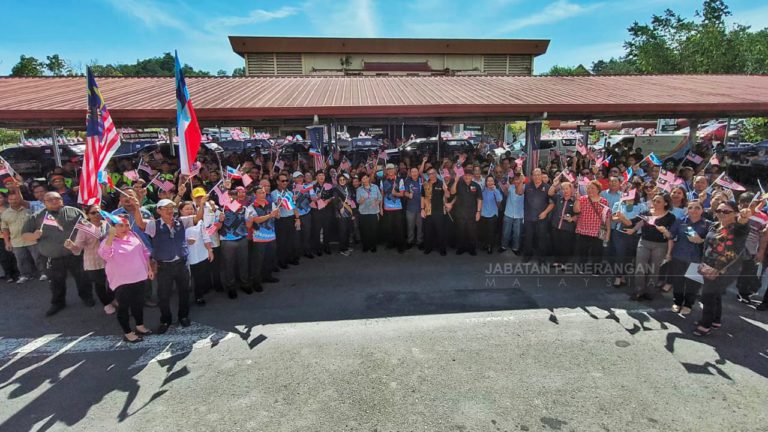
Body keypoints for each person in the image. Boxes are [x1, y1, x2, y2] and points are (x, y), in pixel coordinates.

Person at [132, 198, 202, 334]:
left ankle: (183, 316)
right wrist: (136, 208)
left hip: (181, 264)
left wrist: (201, 204)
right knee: (163, 295)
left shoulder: (181, 221)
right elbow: (140, 223)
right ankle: (165, 319)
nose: (170, 211)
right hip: (164, 266)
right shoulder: (154, 225)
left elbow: (197, 217)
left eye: (171, 208)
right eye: (165, 208)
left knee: (184, 292)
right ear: (159, 211)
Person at [21, 192, 89, 316]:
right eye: (50, 200)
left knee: (82, 278)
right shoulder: (37, 217)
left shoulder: (74, 212)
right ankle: (58, 303)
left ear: (62, 200)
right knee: (56, 282)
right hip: (51, 257)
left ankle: (86, 297)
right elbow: (24, 234)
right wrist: (34, 236)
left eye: (57, 199)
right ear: (44, 202)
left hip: (75, 254)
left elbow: (87, 227)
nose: (54, 201)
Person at [693, 201, 750, 336]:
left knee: (708, 296)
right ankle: (715, 320)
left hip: (725, 270)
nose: (721, 214)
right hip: (709, 266)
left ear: (735, 213)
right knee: (715, 295)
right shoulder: (714, 226)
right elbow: (707, 245)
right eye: (719, 211)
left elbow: (742, 225)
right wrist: (703, 261)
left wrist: (744, 217)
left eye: (726, 211)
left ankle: (705, 325)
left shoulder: (737, 229)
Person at [98, 215, 154, 343]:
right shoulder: (108, 240)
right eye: (120, 225)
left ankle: (140, 326)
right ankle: (128, 332)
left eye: (127, 225)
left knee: (138, 303)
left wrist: (149, 269)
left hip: (139, 276)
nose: (125, 228)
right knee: (124, 307)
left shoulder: (134, 235)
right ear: (113, 228)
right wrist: (111, 237)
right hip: (121, 281)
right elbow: (105, 255)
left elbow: (144, 253)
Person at [64, 204, 115, 314]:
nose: (97, 214)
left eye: (99, 212)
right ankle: (106, 304)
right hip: (94, 261)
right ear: (87, 215)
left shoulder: (107, 224)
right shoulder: (84, 229)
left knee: (113, 282)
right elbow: (78, 248)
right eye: (93, 213)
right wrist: (71, 246)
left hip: (110, 260)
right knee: (100, 284)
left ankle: (111, 299)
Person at [629, 193, 677, 301]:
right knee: (640, 268)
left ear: (665, 203)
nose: (655, 203)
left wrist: (666, 232)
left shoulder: (671, 217)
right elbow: (640, 223)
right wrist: (633, 230)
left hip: (660, 245)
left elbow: (671, 236)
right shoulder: (646, 213)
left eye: (658, 201)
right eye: (654, 200)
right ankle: (639, 291)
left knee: (654, 269)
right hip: (644, 242)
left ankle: (650, 291)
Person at [668, 200, 710, 315]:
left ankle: (688, 304)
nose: (693, 210)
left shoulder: (708, 224)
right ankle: (677, 302)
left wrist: (701, 240)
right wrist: (665, 233)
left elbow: (713, 241)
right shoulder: (680, 221)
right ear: (687, 209)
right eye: (690, 207)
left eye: (697, 208)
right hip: (679, 256)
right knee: (678, 281)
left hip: (697, 259)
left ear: (702, 210)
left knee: (693, 283)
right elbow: (671, 235)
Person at [735, 192, 768, 305]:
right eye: (744, 204)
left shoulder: (763, 217)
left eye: (752, 203)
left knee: (747, 272)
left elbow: (763, 236)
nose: (748, 206)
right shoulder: (737, 212)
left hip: (751, 250)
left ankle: (743, 293)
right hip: (733, 247)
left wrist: (761, 252)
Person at [179, 201, 214, 305]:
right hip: (186, 255)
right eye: (186, 209)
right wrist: (186, 241)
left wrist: (209, 250)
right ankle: (184, 298)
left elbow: (205, 236)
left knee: (199, 277)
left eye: (191, 209)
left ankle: (199, 296)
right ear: (181, 211)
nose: (190, 211)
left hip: (201, 253)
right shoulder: (178, 222)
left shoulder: (199, 221)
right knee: (185, 279)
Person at [219, 189, 251, 298]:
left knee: (243, 263)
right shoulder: (220, 210)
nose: (232, 198)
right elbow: (216, 227)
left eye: (234, 196)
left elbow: (249, 224)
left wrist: (250, 219)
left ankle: (245, 284)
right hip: (227, 241)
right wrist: (220, 220)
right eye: (230, 196)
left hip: (242, 238)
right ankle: (231, 287)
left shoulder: (244, 209)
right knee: (229, 265)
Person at [246, 186, 280, 292]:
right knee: (258, 261)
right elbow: (256, 220)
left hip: (271, 237)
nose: (263, 194)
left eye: (264, 192)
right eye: (260, 192)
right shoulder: (251, 207)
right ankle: (256, 282)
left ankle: (267, 276)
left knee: (269, 258)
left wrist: (277, 213)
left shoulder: (271, 204)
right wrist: (270, 215)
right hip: (259, 239)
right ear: (255, 194)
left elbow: (277, 217)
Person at [2, 192, 39, 283]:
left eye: (15, 199)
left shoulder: (29, 210)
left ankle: (43, 273)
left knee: (38, 257)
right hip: (16, 241)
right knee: (21, 260)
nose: (13, 201)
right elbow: (5, 229)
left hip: (31, 239)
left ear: (20, 199)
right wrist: (7, 242)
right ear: (8, 200)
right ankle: (25, 275)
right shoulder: (5, 214)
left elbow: (36, 224)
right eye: (11, 199)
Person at [575, 180, 611, 268]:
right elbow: (576, 210)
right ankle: (582, 267)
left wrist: (608, 232)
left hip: (599, 230)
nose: (590, 190)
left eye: (593, 188)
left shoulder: (604, 201)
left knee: (598, 251)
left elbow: (607, 217)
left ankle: (596, 269)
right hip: (583, 229)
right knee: (583, 251)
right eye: (588, 188)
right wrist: (577, 200)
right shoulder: (582, 199)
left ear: (598, 190)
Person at [522, 168, 554, 263]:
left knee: (542, 238)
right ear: (532, 176)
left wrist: (545, 213)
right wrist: (520, 180)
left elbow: (552, 203)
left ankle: (542, 258)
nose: (536, 176)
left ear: (541, 175)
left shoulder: (547, 187)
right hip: (529, 217)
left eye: (538, 174)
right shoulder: (527, 186)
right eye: (534, 175)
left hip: (542, 218)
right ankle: (527, 255)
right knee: (528, 238)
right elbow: (519, 192)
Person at [450, 169, 482, 255]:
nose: (467, 177)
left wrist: (478, 212)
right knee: (461, 232)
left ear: (472, 176)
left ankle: (472, 248)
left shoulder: (476, 185)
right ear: (463, 176)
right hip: (460, 213)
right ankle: (461, 248)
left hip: (472, 213)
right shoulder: (459, 184)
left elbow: (479, 199)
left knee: (472, 232)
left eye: (469, 175)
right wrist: (456, 181)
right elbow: (452, 192)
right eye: (466, 175)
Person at [272, 173, 300, 268]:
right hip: (281, 219)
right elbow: (279, 204)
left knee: (291, 240)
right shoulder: (274, 193)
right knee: (282, 241)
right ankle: (281, 261)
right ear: (277, 182)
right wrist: (284, 200)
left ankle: (290, 258)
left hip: (291, 218)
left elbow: (294, 207)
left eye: (286, 180)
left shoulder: (290, 193)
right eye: (282, 180)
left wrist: (297, 218)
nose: (285, 182)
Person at [548, 179, 579, 266]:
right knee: (556, 244)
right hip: (556, 226)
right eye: (563, 189)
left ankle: (564, 262)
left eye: (567, 188)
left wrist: (572, 219)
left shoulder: (574, 201)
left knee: (566, 245)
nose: (565, 191)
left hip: (567, 228)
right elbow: (550, 193)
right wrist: (554, 185)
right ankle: (557, 261)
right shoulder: (558, 198)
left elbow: (578, 214)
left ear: (571, 189)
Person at [421, 168, 449, 256]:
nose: (431, 175)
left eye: (433, 173)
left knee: (441, 231)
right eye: (429, 174)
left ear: (436, 173)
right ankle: (428, 248)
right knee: (428, 231)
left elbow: (447, 195)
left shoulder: (441, 183)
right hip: (428, 211)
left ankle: (442, 249)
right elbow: (422, 197)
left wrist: (445, 189)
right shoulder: (425, 184)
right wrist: (422, 209)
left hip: (439, 211)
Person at [381, 164, 406, 253]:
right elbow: (382, 194)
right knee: (389, 228)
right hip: (387, 208)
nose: (390, 171)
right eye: (388, 169)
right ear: (386, 171)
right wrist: (381, 207)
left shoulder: (400, 180)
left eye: (392, 169)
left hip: (397, 208)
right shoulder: (383, 180)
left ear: (395, 170)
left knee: (399, 228)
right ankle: (390, 244)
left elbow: (402, 194)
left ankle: (400, 246)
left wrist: (395, 194)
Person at [356, 173, 382, 253]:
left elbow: (380, 198)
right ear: (361, 181)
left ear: (368, 178)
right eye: (363, 179)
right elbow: (358, 201)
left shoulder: (375, 187)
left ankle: (373, 246)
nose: (365, 180)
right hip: (363, 212)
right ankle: (366, 246)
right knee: (364, 230)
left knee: (373, 230)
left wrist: (376, 203)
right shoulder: (359, 189)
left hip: (373, 212)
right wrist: (362, 200)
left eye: (366, 178)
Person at [292, 171, 315, 259]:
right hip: (295, 215)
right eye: (297, 177)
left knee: (307, 233)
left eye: (301, 177)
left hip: (306, 213)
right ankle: (297, 253)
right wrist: (292, 198)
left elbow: (313, 197)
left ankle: (307, 251)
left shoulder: (308, 187)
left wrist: (315, 197)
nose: (300, 179)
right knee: (297, 235)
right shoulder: (291, 188)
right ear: (294, 179)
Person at [310, 171, 334, 256]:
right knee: (317, 230)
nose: (321, 177)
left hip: (327, 210)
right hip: (317, 211)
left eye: (323, 175)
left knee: (327, 229)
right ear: (316, 177)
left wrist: (329, 200)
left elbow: (333, 196)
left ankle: (326, 247)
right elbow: (311, 199)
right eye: (319, 175)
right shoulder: (312, 186)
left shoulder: (329, 185)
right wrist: (317, 198)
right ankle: (317, 248)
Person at [500, 172, 525, 254]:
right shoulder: (510, 187)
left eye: (518, 179)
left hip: (519, 215)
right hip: (508, 213)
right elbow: (506, 193)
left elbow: (519, 192)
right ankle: (503, 246)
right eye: (515, 180)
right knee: (505, 232)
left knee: (517, 234)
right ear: (513, 180)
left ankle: (515, 248)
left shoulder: (524, 188)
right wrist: (504, 186)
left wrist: (521, 182)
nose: (516, 181)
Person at [332, 173, 355, 256]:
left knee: (348, 231)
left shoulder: (348, 188)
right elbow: (335, 201)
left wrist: (352, 211)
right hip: (340, 213)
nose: (342, 181)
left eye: (343, 179)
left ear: (346, 180)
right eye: (340, 180)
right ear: (338, 181)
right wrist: (340, 207)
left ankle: (347, 246)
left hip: (348, 211)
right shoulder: (336, 189)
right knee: (342, 232)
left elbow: (351, 199)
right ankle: (342, 249)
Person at [480, 175, 502, 254]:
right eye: (488, 181)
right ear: (486, 182)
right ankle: (485, 244)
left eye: (491, 181)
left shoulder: (496, 191)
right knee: (484, 231)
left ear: (494, 182)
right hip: (483, 214)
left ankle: (490, 246)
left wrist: (495, 190)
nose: (490, 182)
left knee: (491, 232)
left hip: (492, 214)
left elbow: (500, 200)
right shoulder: (483, 190)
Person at [403, 166, 424, 249]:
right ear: (410, 173)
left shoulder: (422, 180)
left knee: (420, 226)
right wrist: (408, 195)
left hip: (421, 208)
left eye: (415, 172)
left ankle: (420, 242)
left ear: (418, 173)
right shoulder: (407, 181)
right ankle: (410, 241)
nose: (414, 173)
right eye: (412, 172)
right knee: (410, 226)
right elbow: (404, 192)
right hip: (410, 208)